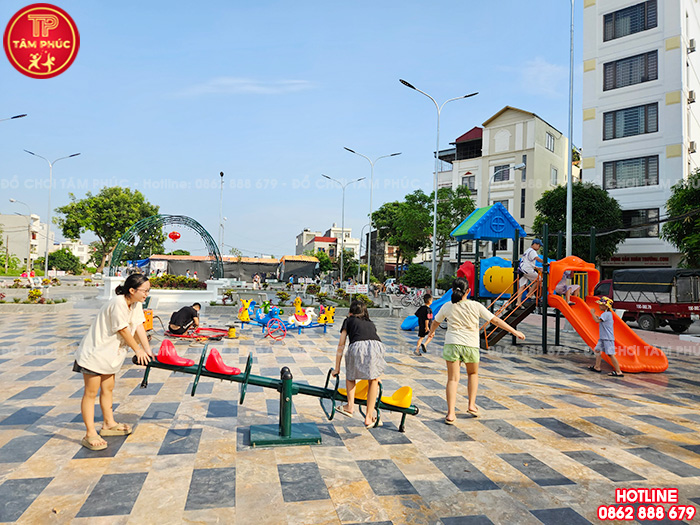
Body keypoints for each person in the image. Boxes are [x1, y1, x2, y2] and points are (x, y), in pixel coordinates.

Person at [427, 278, 525, 424]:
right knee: (472, 374)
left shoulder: (447, 306)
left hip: (453, 344)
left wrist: (431, 332)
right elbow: (495, 321)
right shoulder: (476, 306)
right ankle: (471, 405)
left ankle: (451, 414)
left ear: (452, 290)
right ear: (468, 291)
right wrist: (514, 331)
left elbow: (435, 321)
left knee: (453, 379)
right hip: (471, 345)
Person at [74, 274, 152, 450]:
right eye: (144, 290)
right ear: (132, 290)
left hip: (110, 355)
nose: (146, 294)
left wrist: (147, 350)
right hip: (95, 354)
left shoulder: (136, 304)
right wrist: (137, 350)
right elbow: (123, 330)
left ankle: (108, 424)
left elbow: (139, 325)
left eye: (148, 290)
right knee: (91, 393)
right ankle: (90, 433)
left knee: (108, 388)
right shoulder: (118, 303)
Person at [332, 300, 387, 428]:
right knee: (373, 380)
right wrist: (378, 372)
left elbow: (341, 344)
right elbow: (373, 343)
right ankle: (369, 417)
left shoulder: (349, 320)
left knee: (351, 377)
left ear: (351, 312)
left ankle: (350, 406)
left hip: (358, 346)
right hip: (377, 346)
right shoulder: (370, 323)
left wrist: (337, 368)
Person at [589, 296, 624, 377]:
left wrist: (592, 313)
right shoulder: (606, 314)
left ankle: (618, 371)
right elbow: (600, 320)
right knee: (597, 350)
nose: (599, 306)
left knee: (610, 354)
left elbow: (597, 321)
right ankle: (597, 367)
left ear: (606, 306)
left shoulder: (606, 314)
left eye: (601, 305)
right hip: (603, 337)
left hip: (607, 338)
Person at [516, 239, 544, 308]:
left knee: (522, 286)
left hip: (521, 270)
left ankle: (518, 302)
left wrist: (537, 268)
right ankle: (530, 294)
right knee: (539, 279)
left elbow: (529, 262)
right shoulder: (532, 251)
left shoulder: (527, 251)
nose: (538, 248)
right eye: (538, 246)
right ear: (535, 244)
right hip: (527, 269)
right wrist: (545, 262)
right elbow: (537, 258)